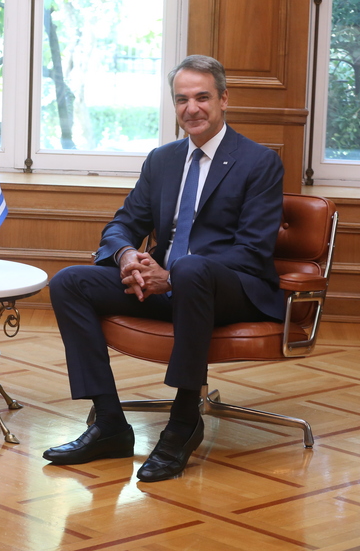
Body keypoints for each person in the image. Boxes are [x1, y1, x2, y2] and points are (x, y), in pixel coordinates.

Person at [43, 55, 285, 481]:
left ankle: (183, 420)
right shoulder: (162, 160)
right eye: (181, 99)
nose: (191, 108)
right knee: (70, 282)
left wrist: (171, 275)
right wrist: (126, 256)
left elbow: (252, 251)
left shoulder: (259, 162)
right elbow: (122, 224)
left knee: (190, 270)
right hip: (165, 286)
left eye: (202, 97)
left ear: (224, 99)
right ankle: (109, 424)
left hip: (229, 290)